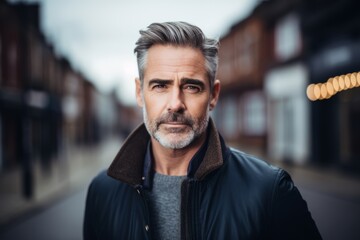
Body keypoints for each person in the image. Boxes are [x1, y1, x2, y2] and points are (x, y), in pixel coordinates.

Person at [83, 21, 322, 240]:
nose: (175, 103)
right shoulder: (103, 191)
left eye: (191, 87)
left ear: (213, 95)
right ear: (139, 92)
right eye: (160, 86)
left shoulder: (270, 192)